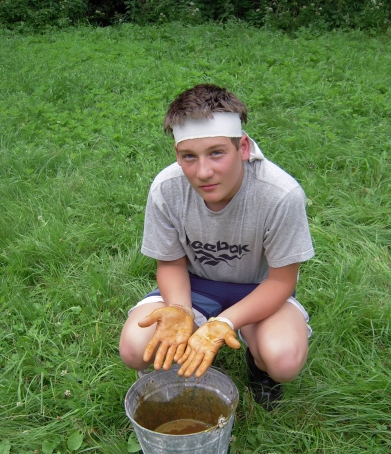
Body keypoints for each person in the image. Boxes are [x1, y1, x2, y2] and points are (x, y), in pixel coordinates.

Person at [119, 84, 314, 410]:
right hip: (195, 286)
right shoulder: (166, 188)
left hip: (259, 289)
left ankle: (258, 363)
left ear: (243, 147)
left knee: (283, 360)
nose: (204, 172)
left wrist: (226, 321)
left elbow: (282, 281)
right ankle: (180, 354)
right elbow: (171, 263)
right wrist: (180, 310)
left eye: (217, 153)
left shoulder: (280, 194)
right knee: (133, 348)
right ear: (177, 155)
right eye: (189, 157)